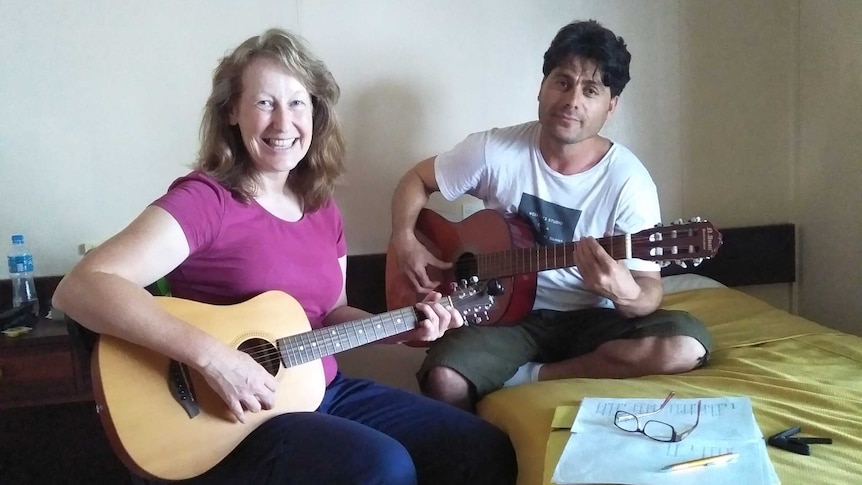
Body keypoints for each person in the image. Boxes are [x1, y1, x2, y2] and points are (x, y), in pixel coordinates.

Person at [53, 28, 516, 485]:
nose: (282, 123)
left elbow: (331, 313)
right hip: (233, 414)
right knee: (383, 466)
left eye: (297, 103)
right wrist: (215, 360)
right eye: (263, 103)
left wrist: (402, 329)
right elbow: (83, 285)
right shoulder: (206, 201)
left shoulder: (321, 207)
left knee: (481, 449)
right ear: (232, 111)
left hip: (320, 391)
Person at [389, 19, 713, 412]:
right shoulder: (495, 150)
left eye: (590, 90)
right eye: (563, 82)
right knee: (444, 379)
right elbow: (416, 180)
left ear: (611, 105)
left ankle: (532, 376)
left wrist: (623, 293)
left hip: (590, 320)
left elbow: (649, 288)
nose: (572, 100)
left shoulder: (629, 181)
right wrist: (405, 238)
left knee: (686, 345)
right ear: (542, 87)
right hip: (504, 318)